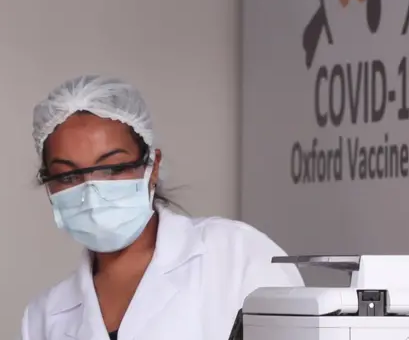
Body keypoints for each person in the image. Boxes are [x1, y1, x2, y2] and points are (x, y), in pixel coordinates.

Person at [20, 75, 304, 340]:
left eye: (114, 168)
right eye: (68, 176)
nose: (92, 191)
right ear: (49, 187)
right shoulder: (43, 316)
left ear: (152, 167)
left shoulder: (238, 256)